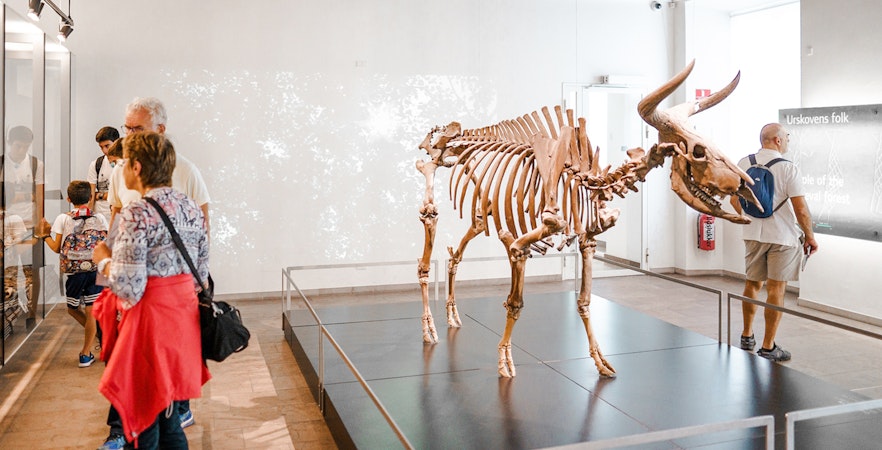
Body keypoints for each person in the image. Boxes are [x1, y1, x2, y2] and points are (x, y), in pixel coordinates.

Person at [100, 97, 211, 449]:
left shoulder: (138, 213)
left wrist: (102, 260)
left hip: (149, 322)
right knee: (169, 419)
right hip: (181, 317)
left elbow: (129, 288)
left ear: (136, 167)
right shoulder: (189, 207)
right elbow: (201, 272)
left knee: (144, 422)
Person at [731, 123, 819, 361]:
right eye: (787, 136)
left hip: (752, 234)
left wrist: (751, 219)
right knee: (776, 289)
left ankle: (746, 335)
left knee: (752, 284)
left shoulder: (743, 163)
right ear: (778, 140)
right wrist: (810, 236)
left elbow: (734, 201)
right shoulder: (788, 168)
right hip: (782, 236)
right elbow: (801, 209)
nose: (788, 140)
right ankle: (768, 347)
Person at [34, 181, 108, 367]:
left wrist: (45, 236)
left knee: (72, 309)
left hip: (74, 272)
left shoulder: (63, 218)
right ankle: (94, 345)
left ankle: (87, 352)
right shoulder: (99, 217)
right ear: (90, 198)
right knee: (92, 312)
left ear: (68, 199)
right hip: (96, 269)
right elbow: (106, 243)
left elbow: (56, 248)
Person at [3, 126, 45, 321]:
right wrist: (24, 196)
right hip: (6, 226)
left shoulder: (36, 164)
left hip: (29, 225)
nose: (21, 151)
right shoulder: (2, 163)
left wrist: (39, 224)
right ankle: (7, 312)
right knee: (7, 271)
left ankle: (32, 313)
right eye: (18, 146)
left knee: (33, 270)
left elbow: (40, 196)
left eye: (25, 147)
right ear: (9, 143)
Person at [88, 126, 121, 223]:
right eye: (101, 147)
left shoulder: (127, 164)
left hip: (120, 217)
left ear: (116, 142)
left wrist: (101, 195)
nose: (104, 151)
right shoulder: (96, 164)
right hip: (100, 218)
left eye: (107, 146)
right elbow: (91, 196)